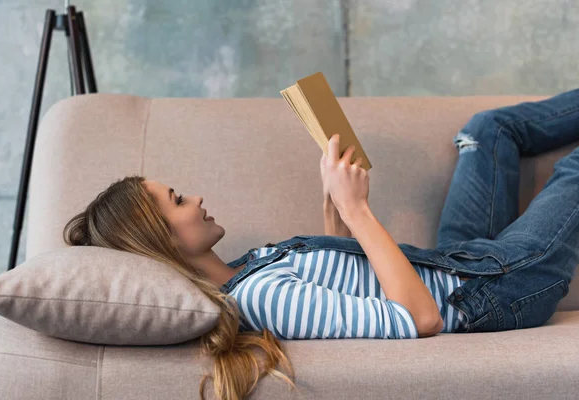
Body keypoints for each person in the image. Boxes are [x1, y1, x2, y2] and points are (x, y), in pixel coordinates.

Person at [63, 88, 579, 400]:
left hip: (454, 261)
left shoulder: (250, 269)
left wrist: (336, 216)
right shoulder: (259, 298)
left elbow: (350, 293)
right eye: (177, 200)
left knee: (487, 130)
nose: (196, 198)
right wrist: (359, 211)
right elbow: (422, 319)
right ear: (162, 239)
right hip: (495, 287)